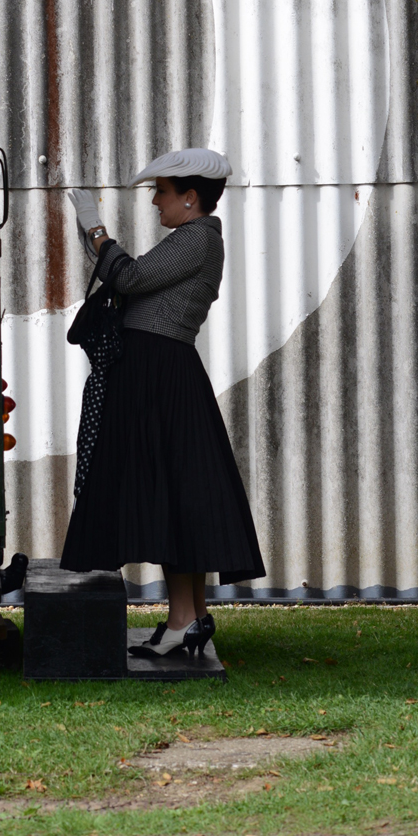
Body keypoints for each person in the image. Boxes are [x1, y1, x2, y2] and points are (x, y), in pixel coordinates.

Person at [62, 147, 265, 656]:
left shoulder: (197, 237)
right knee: (179, 493)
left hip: (160, 375)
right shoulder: (194, 238)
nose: (156, 202)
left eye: (163, 192)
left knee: (173, 495)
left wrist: (94, 229)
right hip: (162, 373)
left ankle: (181, 620)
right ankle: (190, 617)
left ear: (190, 198)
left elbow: (128, 277)